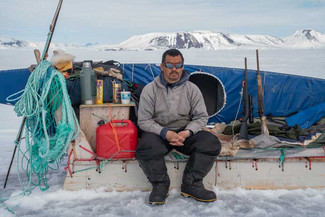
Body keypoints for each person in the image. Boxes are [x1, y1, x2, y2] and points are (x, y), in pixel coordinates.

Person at [135, 49, 221, 205]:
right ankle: (160, 185)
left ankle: (191, 184)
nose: (174, 69)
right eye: (169, 64)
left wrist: (187, 132)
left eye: (178, 65)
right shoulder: (150, 89)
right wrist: (165, 133)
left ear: (182, 66)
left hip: (185, 134)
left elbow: (201, 117)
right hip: (160, 134)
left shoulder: (192, 89)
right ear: (162, 66)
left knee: (211, 142)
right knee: (146, 145)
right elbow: (144, 120)